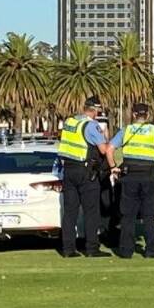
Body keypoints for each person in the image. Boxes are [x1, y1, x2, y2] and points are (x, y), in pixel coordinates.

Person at [109, 103, 154, 259]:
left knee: (128, 215)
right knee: (149, 215)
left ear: (133, 115)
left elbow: (110, 149)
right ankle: (151, 250)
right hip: (149, 177)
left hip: (129, 176)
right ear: (147, 115)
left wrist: (113, 167)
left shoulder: (126, 130)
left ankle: (126, 251)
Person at [57, 96, 115, 257]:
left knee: (69, 212)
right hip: (85, 172)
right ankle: (91, 248)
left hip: (68, 170)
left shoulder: (70, 122)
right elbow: (103, 150)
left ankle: (68, 249)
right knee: (91, 211)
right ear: (95, 110)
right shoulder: (91, 126)